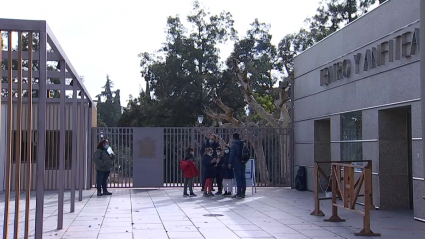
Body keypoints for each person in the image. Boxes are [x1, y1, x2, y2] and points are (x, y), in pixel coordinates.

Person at [229, 133, 246, 199]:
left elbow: (232, 154)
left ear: (233, 137)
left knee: (238, 178)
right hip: (243, 162)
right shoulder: (243, 144)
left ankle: (239, 193)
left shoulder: (234, 145)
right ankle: (243, 192)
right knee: (243, 178)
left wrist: (230, 162)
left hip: (236, 163)